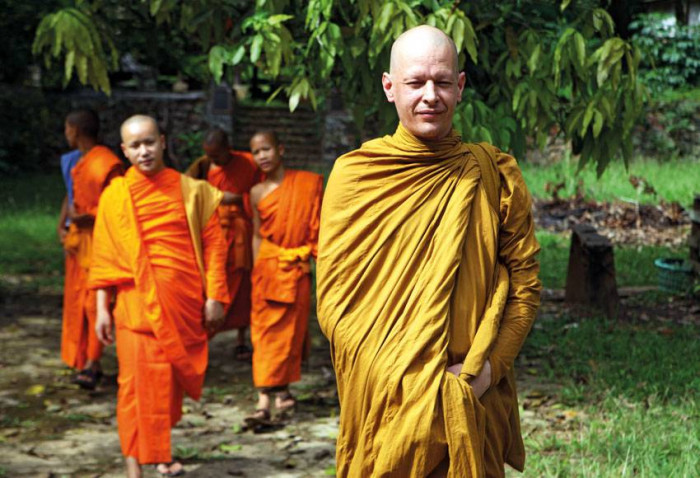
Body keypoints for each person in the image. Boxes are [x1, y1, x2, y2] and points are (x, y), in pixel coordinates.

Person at [317, 25, 541, 478]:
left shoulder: (492, 173)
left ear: (459, 87)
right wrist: (391, 373)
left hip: (470, 396)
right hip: (387, 399)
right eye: (415, 82)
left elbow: (525, 286)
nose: (429, 96)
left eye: (441, 82)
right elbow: (333, 301)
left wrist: (486, 371)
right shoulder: (356, 175)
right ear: (389, 87)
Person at [90, 115, 230, 478]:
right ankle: (134, 464)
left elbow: (215, 247)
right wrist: (102, 309)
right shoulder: (115, 196)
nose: (143, 151)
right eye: (134, 146)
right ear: (124, 151)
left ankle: (159, 453)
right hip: (134, 308)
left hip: (181, 304)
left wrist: (215, 295)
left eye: (149, 142)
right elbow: (104, 256)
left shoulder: (192, 191)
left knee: (165, 390)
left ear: (163, 141)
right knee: (133, 390)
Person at [245, 131, 323, 424]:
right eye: (256, 152)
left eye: (266, 149)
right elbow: (256, 235)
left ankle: (282, 391)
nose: (262, 156)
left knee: (290, 335)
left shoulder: (306, 184)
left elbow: (318, 228)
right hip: (267, 268)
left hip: (296, 266)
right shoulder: (255, 193)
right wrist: (256, 269)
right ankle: (263, 398)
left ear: (280, 149)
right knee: (264, 336)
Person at [185, 129, 262, 360]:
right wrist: (217, 197)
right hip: (215, 230)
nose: (213, 160)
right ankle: (204, 337)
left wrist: (238, 199)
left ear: (228, 148)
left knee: (243, 287)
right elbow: (190, 192)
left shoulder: (248, 162)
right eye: (210, 155)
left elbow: (261, 191)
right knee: (214, 283)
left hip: (242, 231)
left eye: (217, 155)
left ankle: (241, 339)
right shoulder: (203, 166)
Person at [61, 109, 123, 389]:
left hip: (99, 242)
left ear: (74, 129)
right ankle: (85, 359)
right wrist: (65, 224)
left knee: (92, 304)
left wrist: (92, 216)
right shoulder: (82, 162)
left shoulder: (107, 163)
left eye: (67, 129)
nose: (66, 135)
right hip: (79, 242)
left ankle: (92, 362)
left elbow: (118, 205)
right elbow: (72, 197)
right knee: (78, 303)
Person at [56, 149, 81, 244]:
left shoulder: (103, 161)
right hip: (71, 227)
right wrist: (61, 225)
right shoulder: (71, 159)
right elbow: (70, 194)